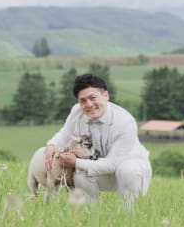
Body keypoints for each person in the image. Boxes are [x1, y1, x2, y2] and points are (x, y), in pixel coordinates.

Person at [44, 73, 151, 206]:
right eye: (83, 100)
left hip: (130, 172)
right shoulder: (76, 112)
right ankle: (91, 213)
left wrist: (76, 162)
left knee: (128, 169)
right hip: (99, 171)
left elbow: (112, 164)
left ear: (105, 95)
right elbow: (65, 133)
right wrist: (51, 145)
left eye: (93, 98)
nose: (89, 104)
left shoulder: (125, 122)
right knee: (80, 175)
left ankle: (130, 213)